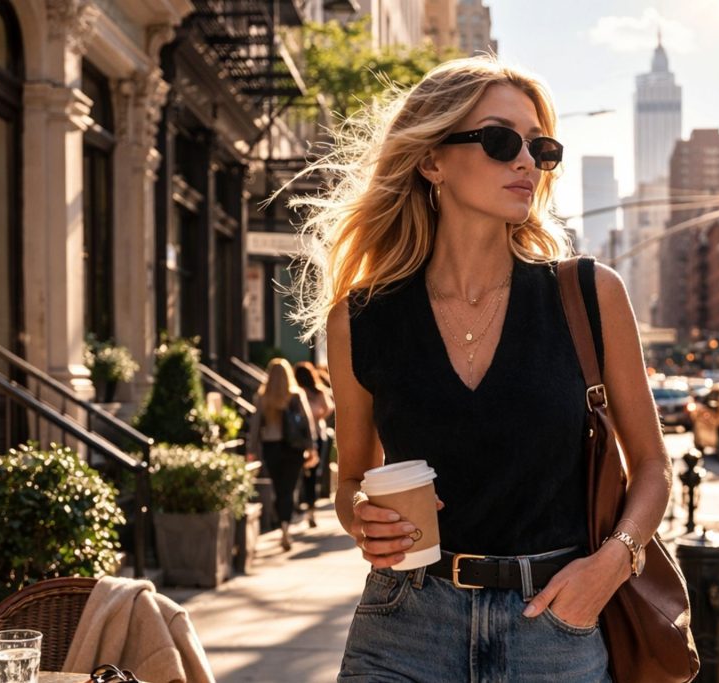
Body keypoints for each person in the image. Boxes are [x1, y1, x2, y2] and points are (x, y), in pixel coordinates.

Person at [287, 56, 671, 681]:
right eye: (500, 140)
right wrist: (363, 517)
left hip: (555, 623)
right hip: (404, 626)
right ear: (432, 160)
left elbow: (652, 466)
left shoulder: (589, 294)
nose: (526, 161)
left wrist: (613, 564)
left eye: (539, 148)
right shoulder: (359, 319)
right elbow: (351, 476)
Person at [247, 358, 317, 551]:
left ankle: (283, 525)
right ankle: (286, 526)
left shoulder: (263, 397)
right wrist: (312, 447)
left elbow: (254, 428)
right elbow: (307, 423)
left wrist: (251, 452)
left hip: (272, 448)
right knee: (290, 488)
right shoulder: (295, 394)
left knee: (279, 489)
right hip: (294, 449)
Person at [294, 360, 336, 527]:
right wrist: (318, 417)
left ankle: (302, 506)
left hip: (303, 437)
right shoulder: (315, 392)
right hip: (317, 435)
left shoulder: (299, 393)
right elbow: (328, 408)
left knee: (303, 473)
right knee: (312, 474)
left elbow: (329, 407)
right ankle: (310, 509)